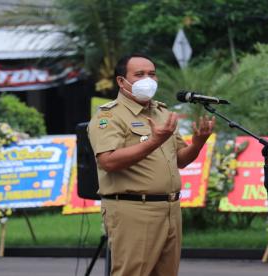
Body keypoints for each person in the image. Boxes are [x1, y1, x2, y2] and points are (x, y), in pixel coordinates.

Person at [87, 53, 215, 276]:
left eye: (152, 74)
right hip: (134, 209)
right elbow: (107, 161)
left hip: (169, 208)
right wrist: (155, 141)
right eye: (139, 74)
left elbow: (181, 160)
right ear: (121, 81)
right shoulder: (110, 117)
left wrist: (198, 142)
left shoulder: (161, 112)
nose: (148, 79)